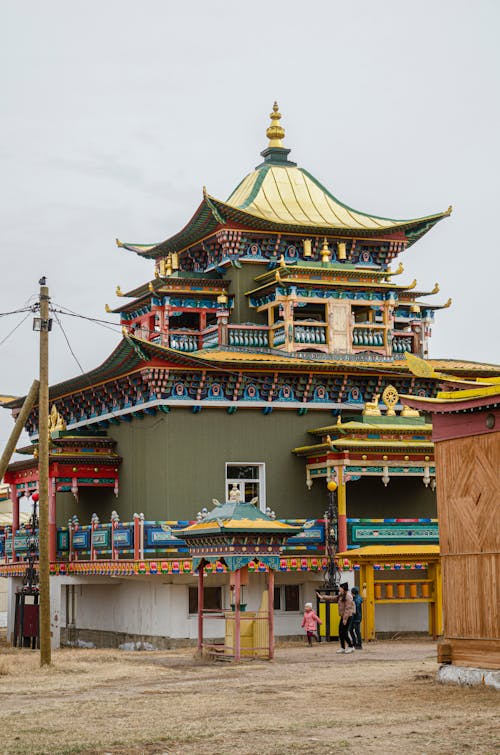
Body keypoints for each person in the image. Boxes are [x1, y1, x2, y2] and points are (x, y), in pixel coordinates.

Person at [316, 582, 355, 654]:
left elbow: (348, 608)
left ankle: (351, 646)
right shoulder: (341, 595)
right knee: (340, 632)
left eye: (340, 587)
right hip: (343, 616)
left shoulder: (348, 596)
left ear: (343, 588)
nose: (339, 589)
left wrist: (345, 619)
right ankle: (342, 647)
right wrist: (323, 597)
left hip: (348, 616)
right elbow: (333, 598)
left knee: (344, 632)